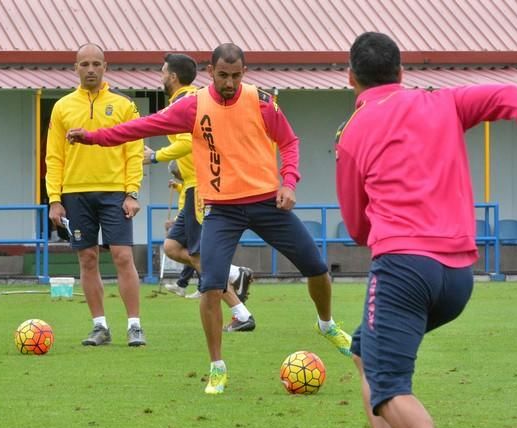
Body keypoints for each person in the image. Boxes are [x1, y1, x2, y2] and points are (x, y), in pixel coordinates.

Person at [335, 32, 517, 428]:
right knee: (365, 351)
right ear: (401, 72)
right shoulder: (443, 103)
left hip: (402, 270)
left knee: (389, 388)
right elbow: (509, 96)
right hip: (456, 279)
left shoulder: (352, 133)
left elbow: (356, 225)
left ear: (350, 77)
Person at [66, 43, 352, 395]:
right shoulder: (193, 105)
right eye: (222, 75)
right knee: (211, 285)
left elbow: (289, 141)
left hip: (266, 201)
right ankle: (217, 367)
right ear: (210, 72)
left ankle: (326, 324)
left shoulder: (261, 102)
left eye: (235, 76)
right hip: (221, 208)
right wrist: (93, 138)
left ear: (244, 73)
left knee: (317, 267)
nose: (229, 83)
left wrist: (289, 182)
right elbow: (141, 127)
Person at [46, 43, 146, 347]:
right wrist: (54, 199)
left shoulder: (124, 105)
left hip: (115, 192)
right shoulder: (62, 107)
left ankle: (134, 326)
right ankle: (99, 326)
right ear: (75, 68)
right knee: (87, 259)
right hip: (75, 194)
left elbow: (134, 150)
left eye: (96, 64)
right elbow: (54, 156)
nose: (90, 69)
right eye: (84, 64)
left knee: (122, 256)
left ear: (106, 67)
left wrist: (132, 192)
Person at [149, 55, 256, 333]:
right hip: (191, 185)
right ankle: (234, 273)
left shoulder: (182, 103)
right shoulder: (196, 99)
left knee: (205, 258)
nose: (161, 77)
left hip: (201, 187)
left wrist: (156, 156)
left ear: (172, 76)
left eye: (162, 72)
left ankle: (241, 314)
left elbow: (186, 141)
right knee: (172, 247)